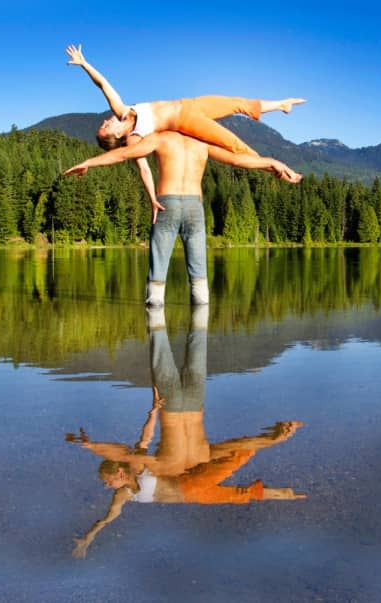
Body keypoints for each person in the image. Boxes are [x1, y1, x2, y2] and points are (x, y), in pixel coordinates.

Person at [65, 307, 305, 558]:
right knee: (235, 488)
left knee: (236, 459)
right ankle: (279, 488)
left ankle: (274, 448)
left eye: (108, 481)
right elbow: (107, 518)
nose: (107, 486)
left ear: (119, 472)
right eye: (107, 484)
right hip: (193, 490)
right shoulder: (123, 495)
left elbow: (137, 446)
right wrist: (88, 538)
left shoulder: (135, 468)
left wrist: (148, 414)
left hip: (191, 484)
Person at [64, 129, 302, 306]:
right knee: (199, 276)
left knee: (157, 274)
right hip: (193, 207)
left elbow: (123, 154)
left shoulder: (160, 138)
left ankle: (156, 329)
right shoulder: (202, 141)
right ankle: (197, 362)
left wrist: (88, 162)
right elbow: (238, 160)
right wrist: (272, 162)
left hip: (166, 203)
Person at [66, 44, 305, 211]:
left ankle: (282, 104)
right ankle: (273, 168)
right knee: (233, 145)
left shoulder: (123, 110)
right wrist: (152, 199)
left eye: (104, 123)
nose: (105, 121)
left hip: (191, 104)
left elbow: (103, 84)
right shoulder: (134, 138)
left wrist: (84, 64)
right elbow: (144, 170)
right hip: (188, 121)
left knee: (237, 103)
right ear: (115, 136)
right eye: (104, 128)